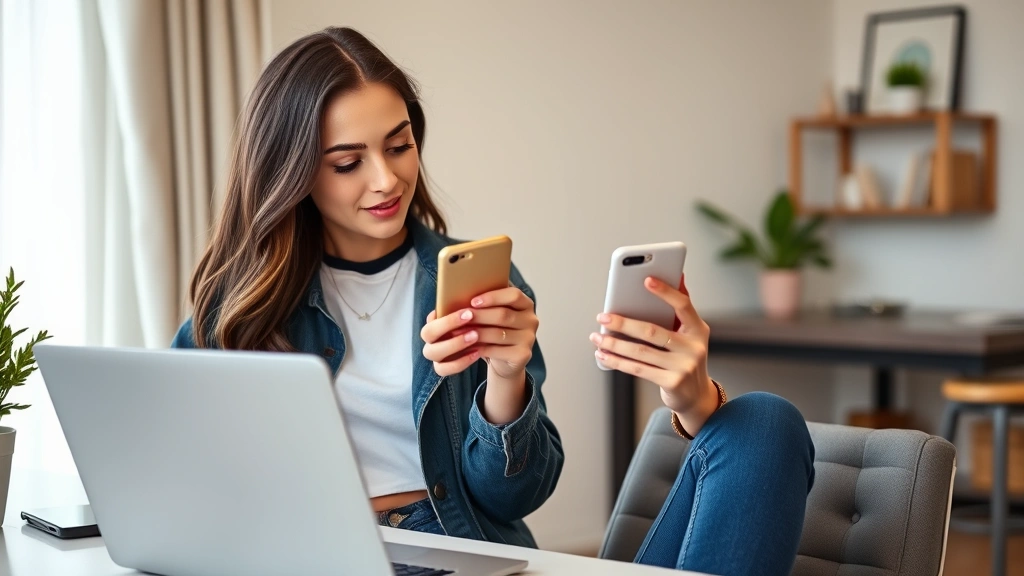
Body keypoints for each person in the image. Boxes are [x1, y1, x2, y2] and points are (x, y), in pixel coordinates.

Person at [173, 26, 814, 575]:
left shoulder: (483, 287)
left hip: (458, 548)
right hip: (315, 557)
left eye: (399, 145)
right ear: (293, 170)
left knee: (765, 421)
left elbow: (513, 498)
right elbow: (175, 472)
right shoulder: (239, 306)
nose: (386, 178)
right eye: (347, 162)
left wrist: (505, 382)